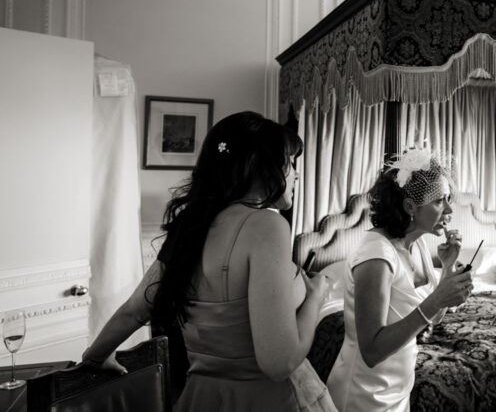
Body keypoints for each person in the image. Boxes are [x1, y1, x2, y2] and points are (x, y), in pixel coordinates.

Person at [81, 111, 337, 412]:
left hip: (203, 398)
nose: (296, 173)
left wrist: (95, 357)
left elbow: (135, 310)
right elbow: (279, 363)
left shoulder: (192, 227)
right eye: (290, 163)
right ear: (259, 166)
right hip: (272, 399)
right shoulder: (267, 226)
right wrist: (316, 297)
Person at [326, 150, 474, 412]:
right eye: (440, 201)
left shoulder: (416, 246)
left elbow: (433, 317)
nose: (449, 210)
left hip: (397, 391)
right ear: (410, 207)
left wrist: (447, 269)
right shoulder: (376, 256)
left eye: (448, 199)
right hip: (364, 394)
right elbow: (371, 351)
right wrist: (437, 299)